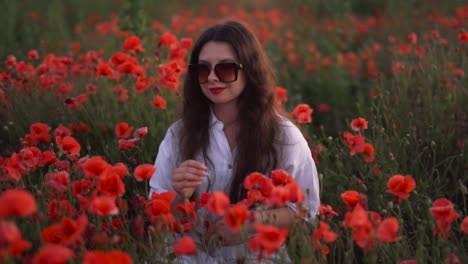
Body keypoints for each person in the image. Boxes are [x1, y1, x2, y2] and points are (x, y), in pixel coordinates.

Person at [149, 20, 320, 263]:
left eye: (225, 69)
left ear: (249, 71)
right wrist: (178, 195)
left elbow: (305, 210)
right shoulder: (179, 135)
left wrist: (250, 223)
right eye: (202, 69)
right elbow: (157, 216)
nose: (211, 78)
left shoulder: (284, 137)